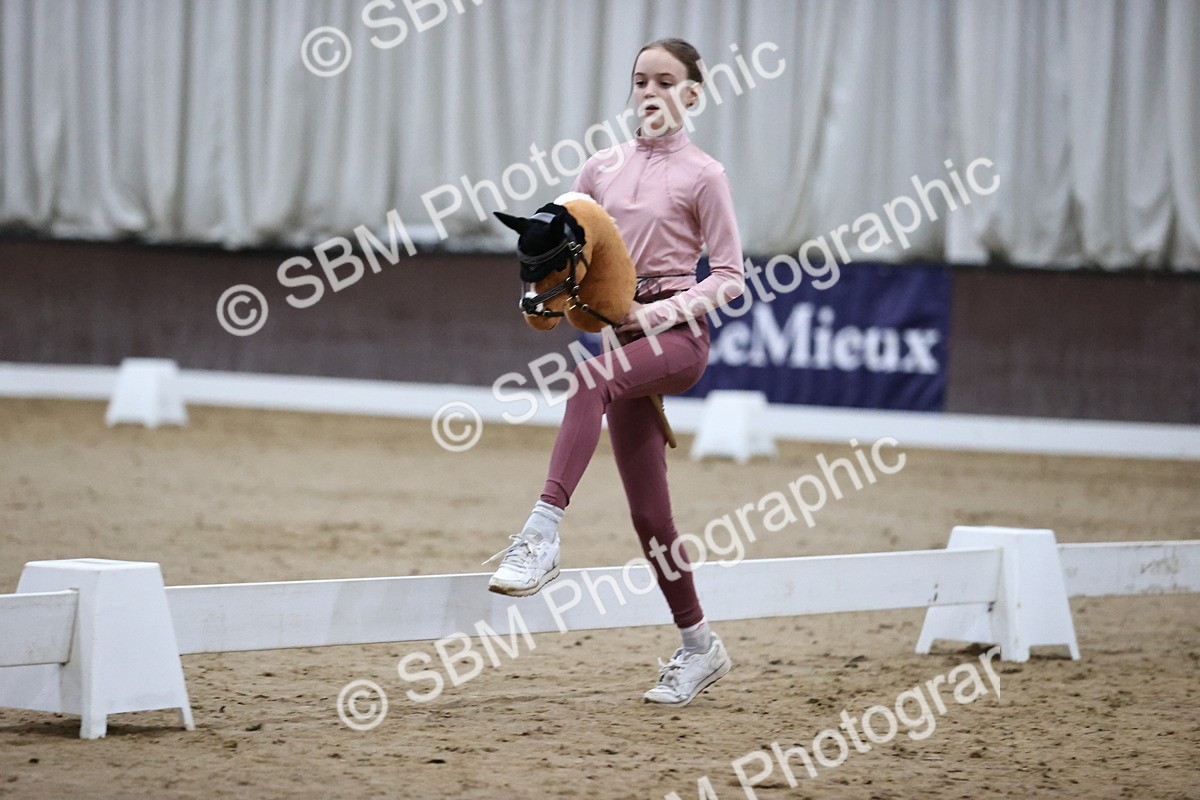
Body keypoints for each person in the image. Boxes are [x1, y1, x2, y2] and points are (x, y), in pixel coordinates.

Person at [487, 38, 745, 707]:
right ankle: (699, 648)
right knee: (650, 517)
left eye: (667, 80)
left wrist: (658, 314)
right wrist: (549, 290)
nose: (651, 90)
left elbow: (729, 276)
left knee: (586, 380)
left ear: (692, 93)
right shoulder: (600, 169)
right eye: (641, 79)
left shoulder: (705, 175)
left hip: (677, 338)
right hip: (622, 340)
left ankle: (541, 533)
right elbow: (572, 245)